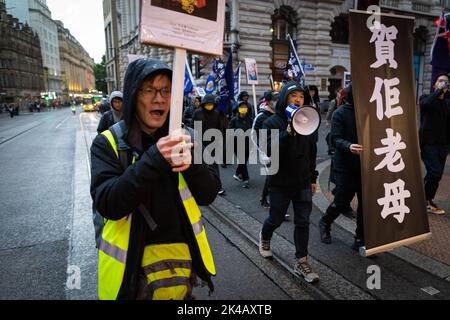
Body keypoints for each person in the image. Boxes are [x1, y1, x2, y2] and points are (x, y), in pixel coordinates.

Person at [90, 58, 220, 300]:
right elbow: (108, 203)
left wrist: (192, 166)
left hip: (181, 267)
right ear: (132, 95)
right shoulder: (107, 143)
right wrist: (154, 158)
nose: (158, 98)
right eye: (149, 90)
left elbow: (210, 193)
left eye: (165, 91)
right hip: (132, 276)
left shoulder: (188, 136)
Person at [258, 81, 319, 284]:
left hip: (302, 182)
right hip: (280, 182)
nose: (298, 99)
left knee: (303, 221)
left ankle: (301, 260)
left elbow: (312, 153)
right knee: (275, 219)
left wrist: (312, 178)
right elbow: (268, 149)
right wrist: (288, 133)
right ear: (285, 98)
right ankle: (265, 236)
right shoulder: (272, 122)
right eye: (294, 96)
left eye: (301, 96)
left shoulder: (308, 120)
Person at [318, 84, 365, 252]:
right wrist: (349, 146)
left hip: (365, 166)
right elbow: (335, 139)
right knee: (342, 201)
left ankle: (360, 238)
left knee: (365, 204)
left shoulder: (369, 113)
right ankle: (325, 222)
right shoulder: (340, 113)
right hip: (345, 165)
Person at [419, 73, 450, 215]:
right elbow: (425, 104)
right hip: (428, 143)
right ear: (435, 84)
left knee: (436, 175)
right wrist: (438, 91)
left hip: (442, 145)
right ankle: (424, 200)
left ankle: (426, 199)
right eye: (440, 81)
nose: (443, 83)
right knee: (434, 171)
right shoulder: (426, 98)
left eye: (446, 82)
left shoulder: (447, 104)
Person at [192, 94, 226, 196]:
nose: (209, 106)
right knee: (199, 165)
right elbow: (193, 127)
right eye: (207, 104)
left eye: (211, 104)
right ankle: (200, 186)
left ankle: (217, 186)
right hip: (199, 143)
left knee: (214, 166)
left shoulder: (216, 114)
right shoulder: (197, 113)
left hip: (213, 143)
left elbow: (220, 128)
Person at [252, 91, 277, 208]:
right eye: (274, 99)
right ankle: (267, 199)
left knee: (276, 175)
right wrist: (261, 149)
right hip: (266, 150)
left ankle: (269, 198)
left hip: (279, 148)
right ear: (268, 101)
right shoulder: (261, 116)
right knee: (272, 174)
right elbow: (253, 134)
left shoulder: (279, 114)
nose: (276, 102)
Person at [229, 100, 253, 188]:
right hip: (237, 145)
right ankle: (246, 179)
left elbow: (253, 131)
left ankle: (237, 173)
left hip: (248, 145)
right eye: (241, 107)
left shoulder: (250, 120)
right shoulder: (234, 120)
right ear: (238, 109)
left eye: (245, 107)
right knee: (242, 161)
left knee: (243, 162)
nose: (243, 109)